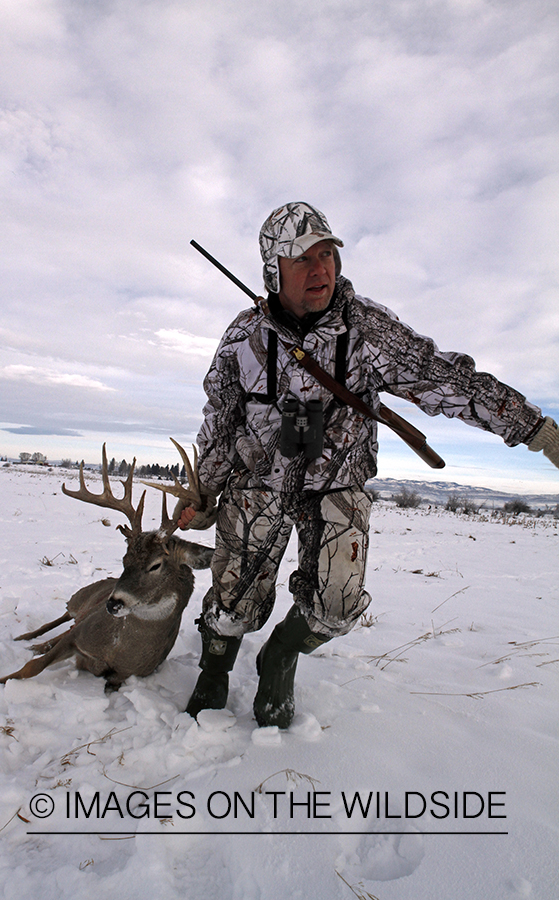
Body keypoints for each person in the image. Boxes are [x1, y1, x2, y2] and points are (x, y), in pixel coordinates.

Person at [177, 201, 559, 729]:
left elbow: (446, 379)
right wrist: (202, 494)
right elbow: (219, 423)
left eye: (328, 254)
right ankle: (213, 672)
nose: (322, 270)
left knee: (337, 606)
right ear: (273, 270)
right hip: (258, 482)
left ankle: (281, 655)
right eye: (304, 259)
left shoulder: (367, 329)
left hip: (337, 483)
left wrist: (535, 429)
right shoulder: (244, 338)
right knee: (232, 599)